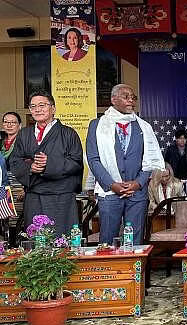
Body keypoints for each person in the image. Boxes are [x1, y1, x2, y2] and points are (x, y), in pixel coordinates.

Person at [87, 84, 164, 245]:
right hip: (109, 193)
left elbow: (149, 160)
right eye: (125, 96)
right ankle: (108, 271)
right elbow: (93, 159)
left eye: (133, 97)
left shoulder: (144, 127)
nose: (131, 100)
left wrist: (137, 183)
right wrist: (111, 184)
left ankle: (135, 270)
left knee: (135, 243)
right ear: (113, 99)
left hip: (137, 194)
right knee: (107, 242)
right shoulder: (97, 125)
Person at [10, 91, 83, 236]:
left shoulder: (68, 133)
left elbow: (76, 162)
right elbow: (15, 161)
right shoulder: (24, 134)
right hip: (34, 195)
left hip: (61, 196)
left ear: (53, 108)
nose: (37, 109)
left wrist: (48, 164)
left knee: (61, 240)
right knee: (36, 240)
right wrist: (30, 167)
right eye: (33, 106)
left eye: (42, 105)